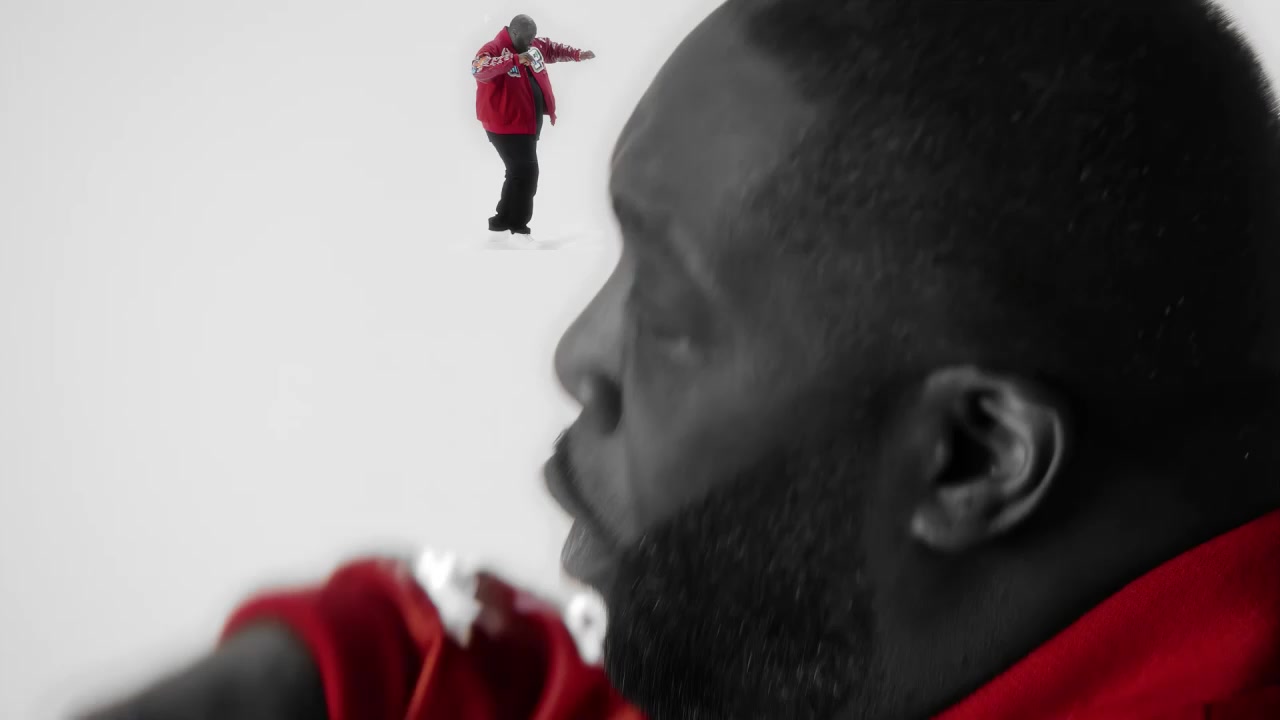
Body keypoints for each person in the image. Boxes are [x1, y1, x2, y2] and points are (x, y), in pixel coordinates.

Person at [83, 0, 1280, 718]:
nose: (576, 357)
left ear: (973, 454)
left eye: (662, 305)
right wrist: (328, 669)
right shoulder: (882, 647)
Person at [472, 14, 595, 240]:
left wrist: (577, 54)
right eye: (527, 38)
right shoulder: (493, 49)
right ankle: (518, 229)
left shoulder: (532, 46)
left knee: (517, 172)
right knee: (527, 173)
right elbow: (479, 69)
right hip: (505, 126)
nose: (531, 42)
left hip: (527, 125)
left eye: (533, 37)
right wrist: (514, 60)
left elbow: (551, 49)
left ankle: (501, 223)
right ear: (514, 33)